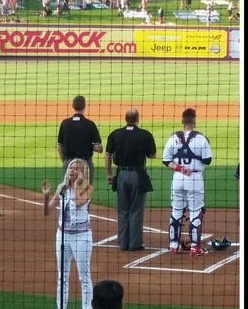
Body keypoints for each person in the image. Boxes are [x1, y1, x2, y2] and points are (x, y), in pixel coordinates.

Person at [41, 158, 94, 309]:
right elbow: (47, 211)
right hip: (62, 235)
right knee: (62, 275)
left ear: (83, 173)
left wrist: (78, 183)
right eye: (71, 168)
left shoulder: (86, 188)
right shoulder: (62, 188)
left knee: (84, 276)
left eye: (77, 169)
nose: (73, 171)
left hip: (82, 236)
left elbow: (79, 203)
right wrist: (47, 196)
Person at [105, 108, 156, 251]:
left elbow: (108, 155)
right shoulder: (145, 135)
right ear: (137, 119)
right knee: (136, 209)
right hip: (138, 175)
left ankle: (123, 242)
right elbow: (152, 155)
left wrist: (109, 174)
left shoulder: (115, 134)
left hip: (121, 174)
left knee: (122, 209)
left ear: (125, 118)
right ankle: (134, 244)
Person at [162, 108, 212, 255]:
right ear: (194, 121)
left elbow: (166, 160)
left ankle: (173, 245)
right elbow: (207, 160)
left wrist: (180, 168)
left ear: (182, 121)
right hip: (194, 179)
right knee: (196, 211)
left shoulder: (173, 137)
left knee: (176, 211)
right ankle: (194, 247)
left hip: (178, 178)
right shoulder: (201, 138)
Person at [57, 95, 103, 184]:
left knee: (67, 192)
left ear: (73, 106)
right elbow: (99, 148)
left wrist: (66, 163)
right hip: (85, 164)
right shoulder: (90, 124)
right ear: (84, 106)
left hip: (69, 163)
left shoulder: (65, 124)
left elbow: (59, 147)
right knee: (85, 194)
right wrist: (88, 145)